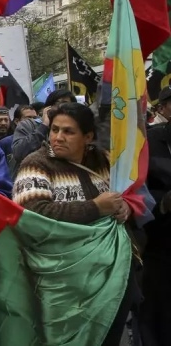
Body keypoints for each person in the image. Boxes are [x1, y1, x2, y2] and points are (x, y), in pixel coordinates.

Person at [12, 102, 137, 346]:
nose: (58, 137)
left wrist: (126, 207)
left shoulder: (105, 160)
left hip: (111, 275)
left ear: (88, 136)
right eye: (54, 129)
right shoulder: (36, 164)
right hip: (62, 283)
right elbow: (32, 213)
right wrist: (95, 208)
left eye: (68, 132)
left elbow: (127, 195)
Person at [140, 88, 171, 346]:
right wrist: (164, 203)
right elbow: (136, 195)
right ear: (164, 109)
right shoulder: (149, 143)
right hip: (160, 249)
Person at [11, 89, 75, 171]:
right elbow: (19, 153)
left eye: (66, 104)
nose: (61, 108)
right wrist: (44, 126)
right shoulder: (28, 125)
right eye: (58, 103)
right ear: (48, 107)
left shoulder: (76, 127)